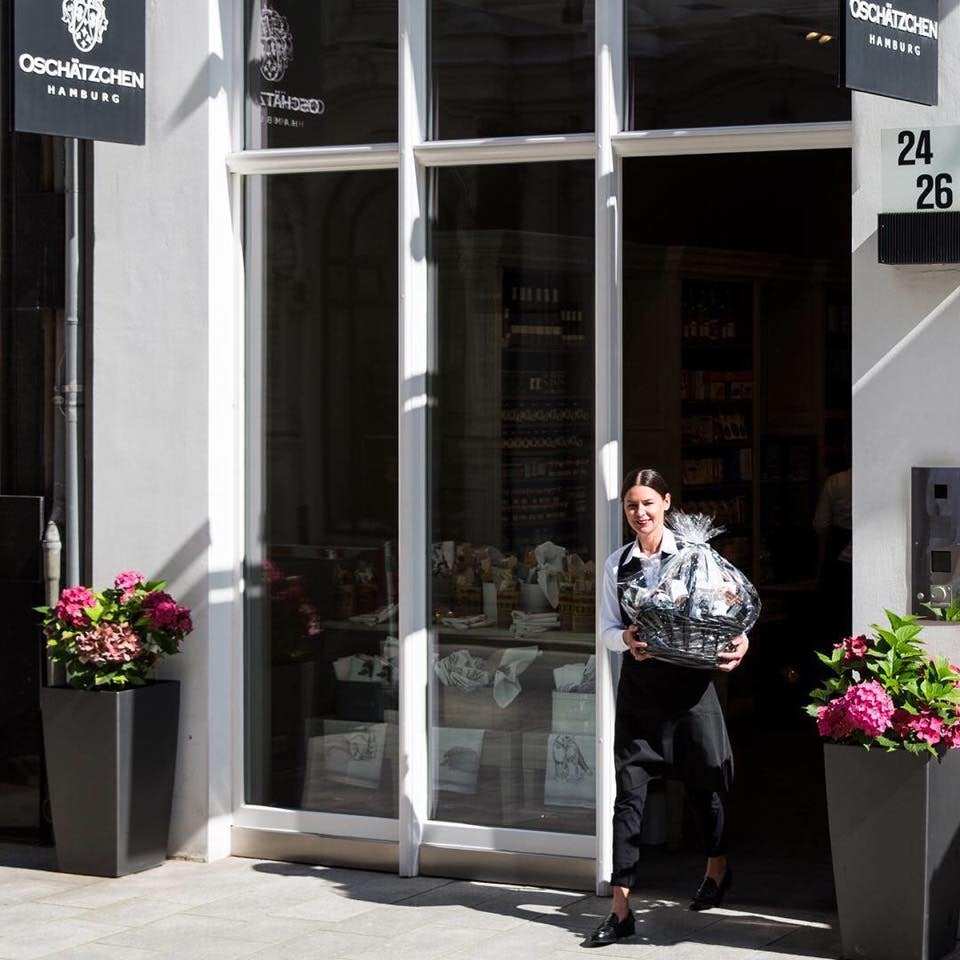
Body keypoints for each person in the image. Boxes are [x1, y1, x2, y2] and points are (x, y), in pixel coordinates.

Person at [586, 468, 750, 948]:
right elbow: (606, 630)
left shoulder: (698, 556)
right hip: (641, 691)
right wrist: (626, 639)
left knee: (707, 785)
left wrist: (741, 643)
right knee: (629, 795)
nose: (640, 513)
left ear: (666, 503)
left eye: (648, 504)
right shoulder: (617, 565)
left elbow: (733, 610)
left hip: (693, 688)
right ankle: (620, 909)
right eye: (632, 506)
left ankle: (717, 868)